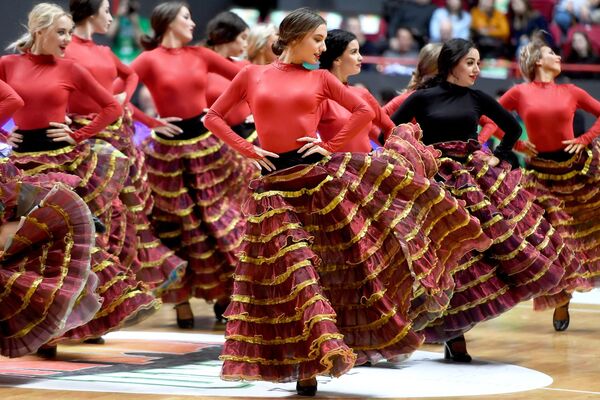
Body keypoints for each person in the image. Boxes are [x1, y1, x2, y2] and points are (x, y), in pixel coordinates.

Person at [205, 8, 488, 395]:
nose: (323, 47)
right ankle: (304, 363)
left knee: (326, 274)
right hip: (272, 188)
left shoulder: (321, 78)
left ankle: (316, 360)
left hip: (316, 185)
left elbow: (363, 110)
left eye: (325, 40)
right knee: (289, 276)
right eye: (318, 39)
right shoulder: (253, 74)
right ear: (294, 36)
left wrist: (329, 148)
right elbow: (214, 118)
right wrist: (247, 149)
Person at [391, 38, 569, 361]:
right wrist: (414, 153)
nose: (476, 70)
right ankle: (450, 333)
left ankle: (455, 332)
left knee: (481, 251)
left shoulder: (477, 98)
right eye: (470, 63)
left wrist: (498, 155)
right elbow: (387, 131)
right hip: (435, 182)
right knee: (446, 254)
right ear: (452, 64)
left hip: (473, 180)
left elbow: (513, 129)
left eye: (478, 63)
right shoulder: (422, 97)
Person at [1, 2, 159, 354]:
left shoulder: (70, 69)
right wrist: (1, 134)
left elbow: (112, 107)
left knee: (67, 240)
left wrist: (77, 134)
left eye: (70, 32)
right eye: (61, 32)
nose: (67, 39)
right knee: (25, 242)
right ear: (40, 30)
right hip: (21, 162)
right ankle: (40, 321)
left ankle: (73, 323)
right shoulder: (8, 65)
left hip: (61, 162)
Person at [130, 1, 249, 328]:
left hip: (207, 148)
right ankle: (180, 300)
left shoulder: (200, 55)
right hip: (166, 155)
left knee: (218, 222)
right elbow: (115, 96)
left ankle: (225, 295)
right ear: (168, 22)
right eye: (186, 17)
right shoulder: (149, 59)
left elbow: (246, 76)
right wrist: (149, 121)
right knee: (173, 227)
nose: (193, 23)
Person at [63, 0, 186, 293]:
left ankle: (112, 291)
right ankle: (88, 291)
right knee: (97, 214)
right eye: (106, 11)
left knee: (125, 215)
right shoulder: (66, 50)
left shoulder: (104, 51)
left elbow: (130, 76)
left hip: (117, 136)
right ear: (92, 14)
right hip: (84, 139)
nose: (110, 17)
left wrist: (123, 101)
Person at [493, 39, 600, 330]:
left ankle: (566, 291)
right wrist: (515, 143)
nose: (558, 55)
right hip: (540, 175)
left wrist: (584, 139)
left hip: (575, 171)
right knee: (558, 239)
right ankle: (562, 293)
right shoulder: (519, 92)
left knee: (582, 235)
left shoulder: (571, 90)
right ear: (538, 61)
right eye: (552, 52)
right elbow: (487, 116)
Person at [317, 29, 395, 152]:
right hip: (334, 169)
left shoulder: (362, 93)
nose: (360, 57)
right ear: (337, 59)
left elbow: (390, 128)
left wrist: (390, 154)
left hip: (369, 168)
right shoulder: (320, 97)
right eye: (354, 52)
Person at [204, 11, 255, 141]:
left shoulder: (244, 65)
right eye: (243, 37)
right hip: (215, 142)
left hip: (249, 136)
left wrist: (260, 114)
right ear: (228, 35)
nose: (245, 44)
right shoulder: (200, 68)